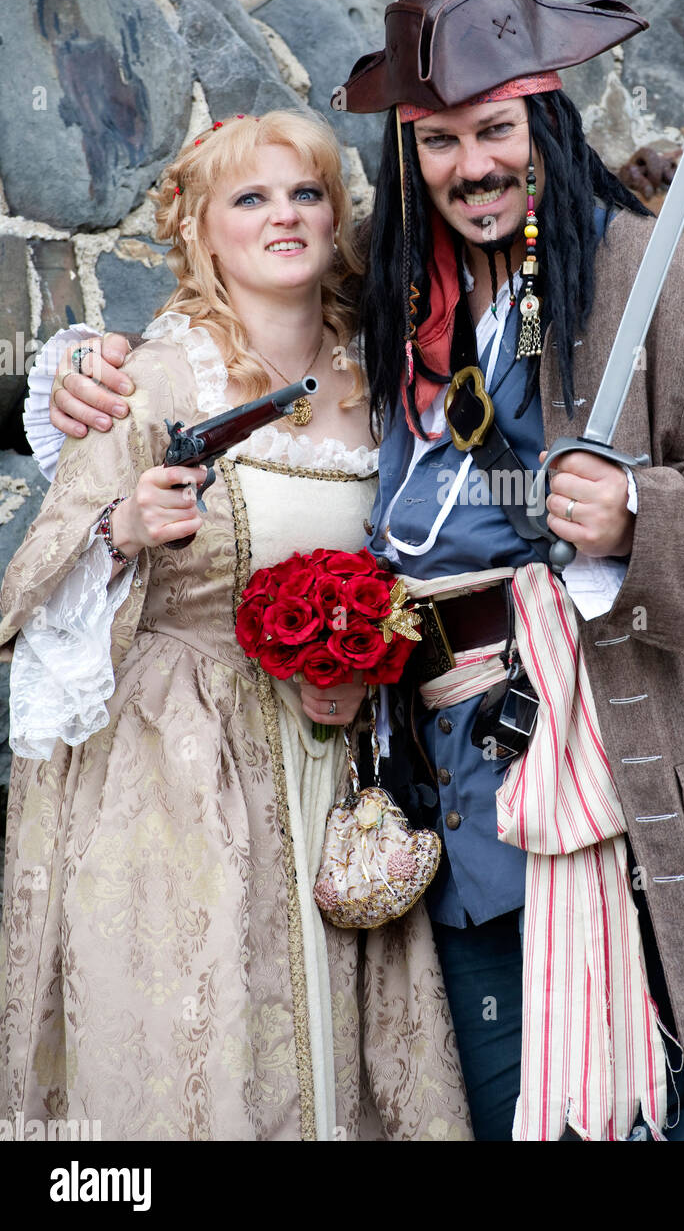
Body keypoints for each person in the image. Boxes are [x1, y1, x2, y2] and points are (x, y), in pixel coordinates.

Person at [34, 0, 684, 1142]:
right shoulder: (394, 301)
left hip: (601, 749)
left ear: (542, 126)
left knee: (646, 1106)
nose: (471, 166)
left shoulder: (665, 283)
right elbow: (243, 307)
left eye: (493, 132)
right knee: (496, 1102)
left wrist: (642, 512)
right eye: (437, 142)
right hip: (437, 766)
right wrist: (91, 359)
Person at [0, 108, 471, 1141]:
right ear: (201, 229)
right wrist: (122, 530)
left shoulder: (380, 382)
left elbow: (420, 570)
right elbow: (34, 594)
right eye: (250, 198)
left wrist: (367, 664)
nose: (284, 217)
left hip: (331, 762)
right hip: (180, 772)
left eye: (306, 194)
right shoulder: (146, 381)